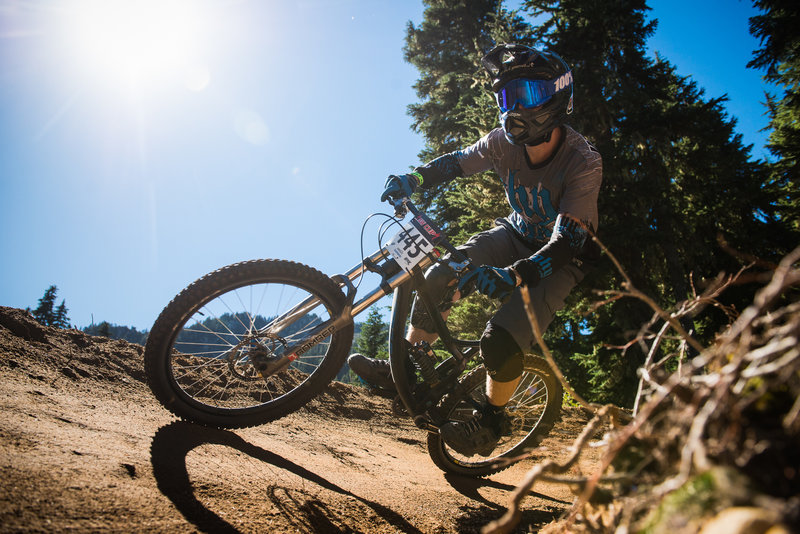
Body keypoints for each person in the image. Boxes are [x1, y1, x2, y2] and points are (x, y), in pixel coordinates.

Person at [348, 43, 602, 457]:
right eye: (507, 97)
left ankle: (490, 422)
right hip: (514, 233)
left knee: (499, 341)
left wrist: (514, 276)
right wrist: (414, 179)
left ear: (558, 97)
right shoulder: (503, 141)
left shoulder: (582, 162)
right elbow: (456, 162)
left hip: (562, 260)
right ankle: (409, 368)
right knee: (438, 276)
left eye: (527, 95)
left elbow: (568, 242)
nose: (514, 108)